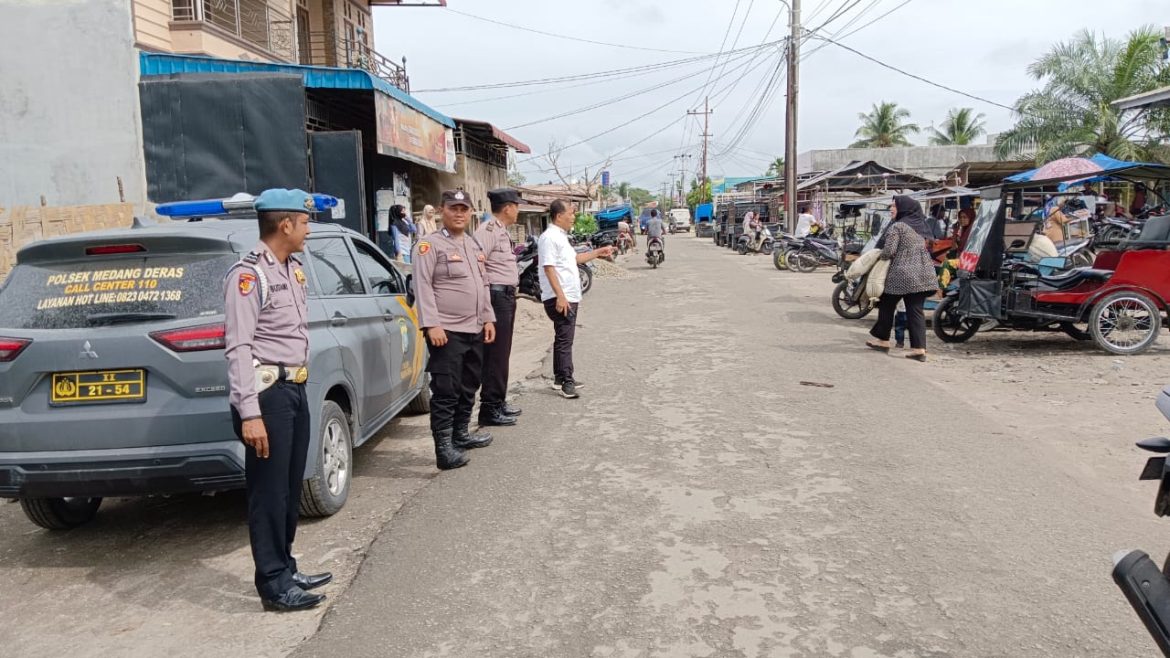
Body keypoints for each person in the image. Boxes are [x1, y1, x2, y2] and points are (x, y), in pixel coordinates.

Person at [224, 188, 331, 612]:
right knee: (268, 493)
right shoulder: (249, 276)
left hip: (293, 389)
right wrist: (249, 413)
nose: (308, 229)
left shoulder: (291, 268)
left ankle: (285, 566)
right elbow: (238, 347)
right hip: (265, 395)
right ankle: (272, 583)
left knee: (288, 487)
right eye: (304, 222)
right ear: (285, 224)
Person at [412, 189, 497, 470]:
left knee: (470, 384)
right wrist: (431, 324)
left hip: (474, 327)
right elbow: (422, 286)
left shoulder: (473, 245)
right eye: (453, 208)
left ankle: (461, 434)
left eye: (464, 208)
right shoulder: (429, 245)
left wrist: (488, 318)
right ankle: (443, 448)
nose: (459, 213)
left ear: (470, 212)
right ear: (441, 210)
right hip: (446, 330)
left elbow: (483, 284)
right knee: (446, 389)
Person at [539, 199, 614, 399]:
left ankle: (559, 377)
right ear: (559, 216)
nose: (573, 217)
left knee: (561, 337)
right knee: (565, 340)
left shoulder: (561, 237)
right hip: (561, 297)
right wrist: (561, 296)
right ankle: (567, 381)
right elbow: (549, 268)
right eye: (570, 213)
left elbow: (575, 259)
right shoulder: (549, 238)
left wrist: (598, 252)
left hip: (568, 295)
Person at [864, 195, 939, 362]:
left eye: (894, 206)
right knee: (915, 310)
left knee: (886, 303)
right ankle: (919, 349)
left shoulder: (898, 226)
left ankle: (883, 340)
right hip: (924, 274)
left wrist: (877, 256)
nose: (891, 209)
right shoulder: (920, 227)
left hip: (903, 274)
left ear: (903, 209)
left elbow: (889, 251)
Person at [474, 188, 524, 427]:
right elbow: (477, 265)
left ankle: (498, 401)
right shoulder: (488, 230)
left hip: (505, 296)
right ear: (508, 207)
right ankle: (489, 408)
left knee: (502, 353)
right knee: (495, 354)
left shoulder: (501, 230)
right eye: (517, 205)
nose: (518, 210)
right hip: (495, 297)